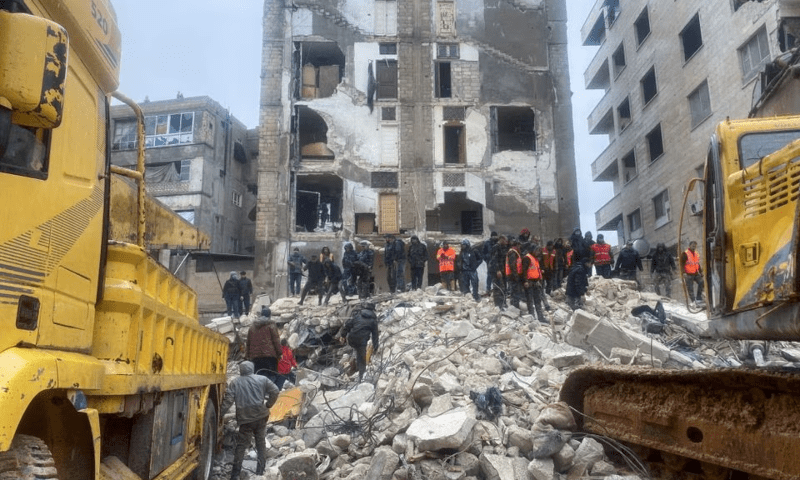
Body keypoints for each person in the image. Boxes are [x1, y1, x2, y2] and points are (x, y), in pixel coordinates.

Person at [221, 360, 280, 480]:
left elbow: (228, 401)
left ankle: (235, 475)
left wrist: (219, 414)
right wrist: (268, 404)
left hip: (245, 419)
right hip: (261, 416)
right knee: (260, 443)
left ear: (241, 370)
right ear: (252, 368)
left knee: (241, 445)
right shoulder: (262, 379)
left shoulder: (235, 382)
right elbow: (275, 391)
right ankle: (260, 472)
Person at [339, 302, 379, 382]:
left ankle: (353, 364)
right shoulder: (373, 320)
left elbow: (347, 325)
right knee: (362, 359)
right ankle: (361, 378)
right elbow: (375, 335)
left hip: (351, 339)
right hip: (362, 341)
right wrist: (375, 347)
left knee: (357, 349)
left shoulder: (357, 315)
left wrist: (343, 335)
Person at [246, 307, 282, 383]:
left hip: (255, 358)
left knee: (257, 378)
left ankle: (259, 393)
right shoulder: (271, 326)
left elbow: (248, 343)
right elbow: (276, 341)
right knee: (271, 378)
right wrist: (279, 353)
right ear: (269, 316)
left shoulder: (252, 327)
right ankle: (270, 394)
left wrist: (247, 356)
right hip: (269, 357)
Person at [565, 228, 592, 310]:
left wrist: (585, 288)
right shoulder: (580, 270)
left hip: (570, 293)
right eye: (589, 263)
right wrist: (581, 293)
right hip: (573, 295)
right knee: (578, 308)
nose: (590, 265)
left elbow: (583, 280)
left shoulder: (579, 267)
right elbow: (578, 283)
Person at [521, 246, 547, 323]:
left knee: (537, 300)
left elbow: (537, 271)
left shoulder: (535, 259)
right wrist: (525, 281)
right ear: (533, 250)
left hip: (536, 282)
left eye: (539, 251)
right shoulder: (527, 258)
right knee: (530, 301)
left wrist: (539, 280)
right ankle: (532, 317)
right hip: (529, 282)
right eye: (537, 250)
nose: (538, 252)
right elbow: (524, 271)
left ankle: (540, 317)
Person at [490, 235, 509, 309]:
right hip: (497, 271)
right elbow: (494, 260)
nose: (506, 242)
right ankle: (498, 304)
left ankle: (503, 303)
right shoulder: (496, 247)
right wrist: (497, 270)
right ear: (501, 239)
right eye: (505, 241)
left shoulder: (503, 247)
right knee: (498, 287)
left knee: (503, 287)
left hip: (503, 270)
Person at [505, 238, 524, 309]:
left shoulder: (515, 252)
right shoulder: (513, 252)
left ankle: (514, 305)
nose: (520, 247)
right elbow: (513, 265)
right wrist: (516, 275)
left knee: (514, 291)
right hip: (513, 275)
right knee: (515, 291)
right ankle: (515, 306)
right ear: (517, 245)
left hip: (514, 275)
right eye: (519, 245)